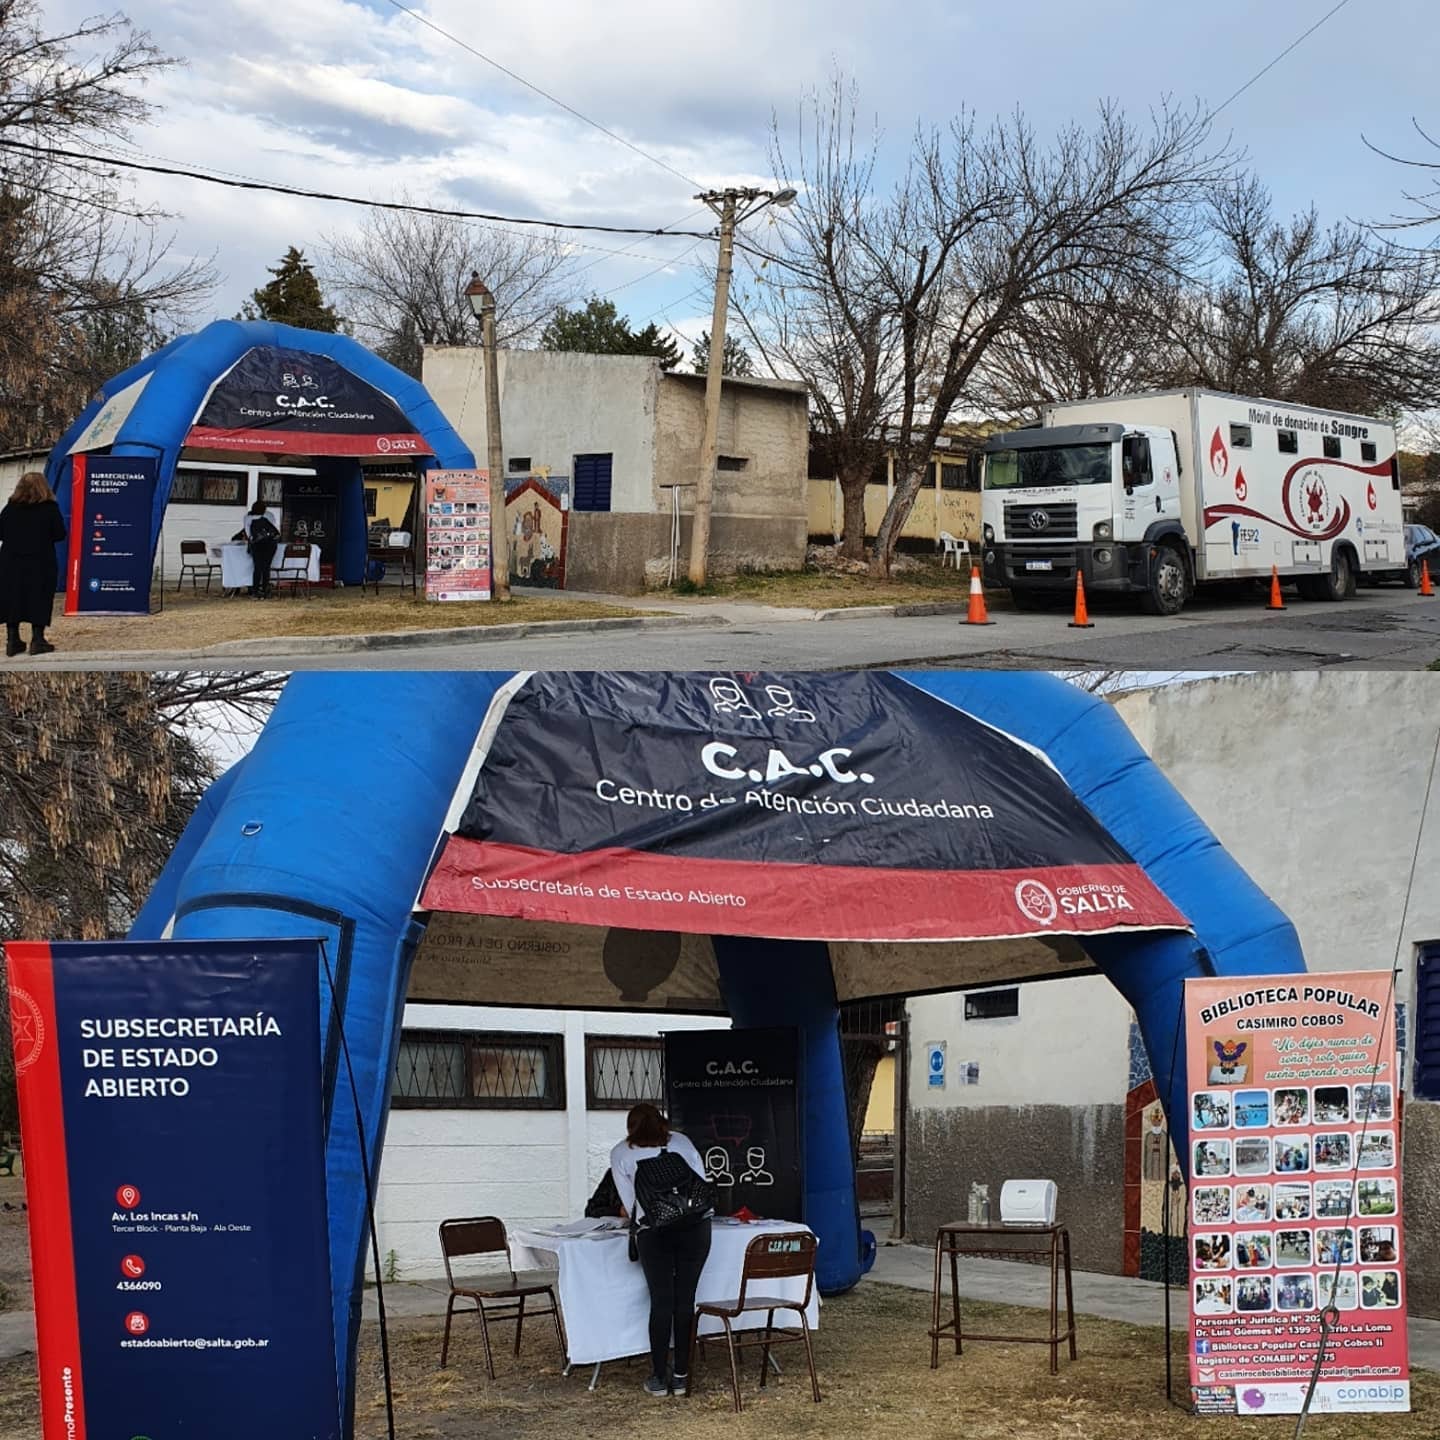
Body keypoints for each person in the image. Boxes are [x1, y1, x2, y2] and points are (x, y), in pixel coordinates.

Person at [610, 1103, 712, 1398]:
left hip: (654, 1232)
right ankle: (682, 1375)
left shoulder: (621, 1153)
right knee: (686, 1299)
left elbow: (631, 1204)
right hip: (696, 1228)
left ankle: (658, 1376)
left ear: (631, 1128)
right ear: (662, 1123)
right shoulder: (682, 1143)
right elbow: (701, 1185)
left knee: (661, 1301)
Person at [0, 471, 67, 656]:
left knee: (12, 597)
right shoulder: (49, 508)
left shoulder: (11, 507)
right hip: (40, 561)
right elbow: (60, 534)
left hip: (10, 561)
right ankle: (38, 640)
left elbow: (1, 532)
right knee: (40, 596)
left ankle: (12, 640)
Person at [244, 501, 280, 598]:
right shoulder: (268, 517)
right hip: (269, 546)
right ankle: (265, 589)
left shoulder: (247, 518)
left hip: (256, 545)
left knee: (257, 568)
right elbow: (276, 533)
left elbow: (248, 534)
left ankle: (255, 591)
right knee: (266, 567)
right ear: (264, 510)